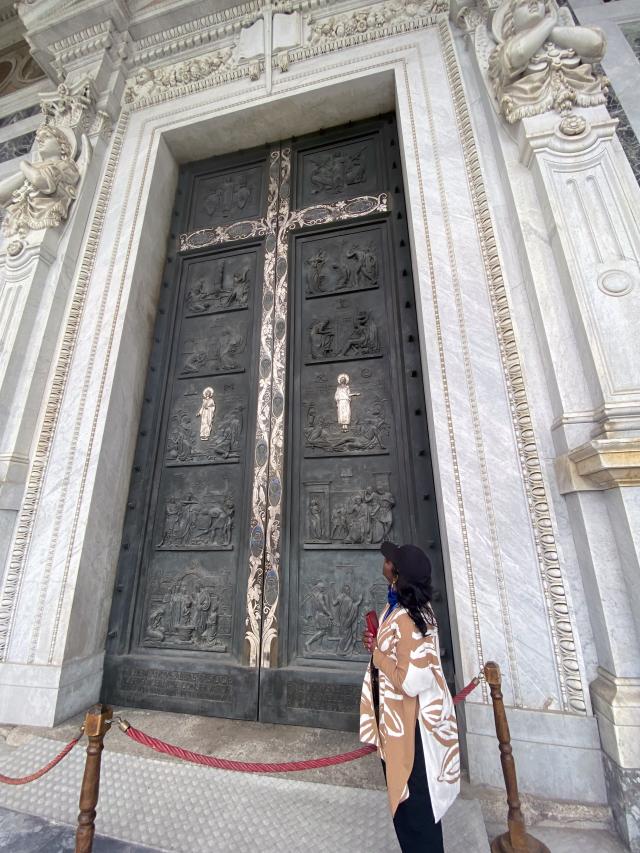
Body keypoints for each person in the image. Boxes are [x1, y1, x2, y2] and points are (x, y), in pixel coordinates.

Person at [360, 542, 459, 853]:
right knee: (409, 806)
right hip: (398, 719)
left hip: (410, 725)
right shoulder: (403, 607)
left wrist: (378, 656)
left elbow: (411, 681)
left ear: (396, 573)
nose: (385, 562)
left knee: (414, 806)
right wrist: (378, 642)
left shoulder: (409, 617)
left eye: (390, 561)